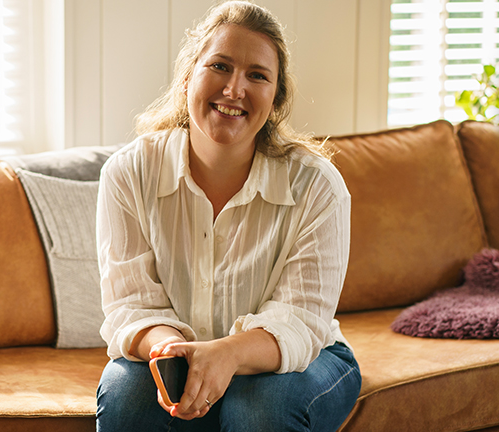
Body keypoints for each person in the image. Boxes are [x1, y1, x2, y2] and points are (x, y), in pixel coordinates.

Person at [95, 1, 361, 431]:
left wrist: (228, 354)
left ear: (275, 99)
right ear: (187, 78)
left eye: (257, 75)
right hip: (175, 351)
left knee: (259, 410)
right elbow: (132, 305)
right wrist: (175, 354)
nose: (235, 89)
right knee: (127, 397)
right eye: (220, 66)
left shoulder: (317, 186)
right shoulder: (128, 173)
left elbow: (301, 321)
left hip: (305, 356)